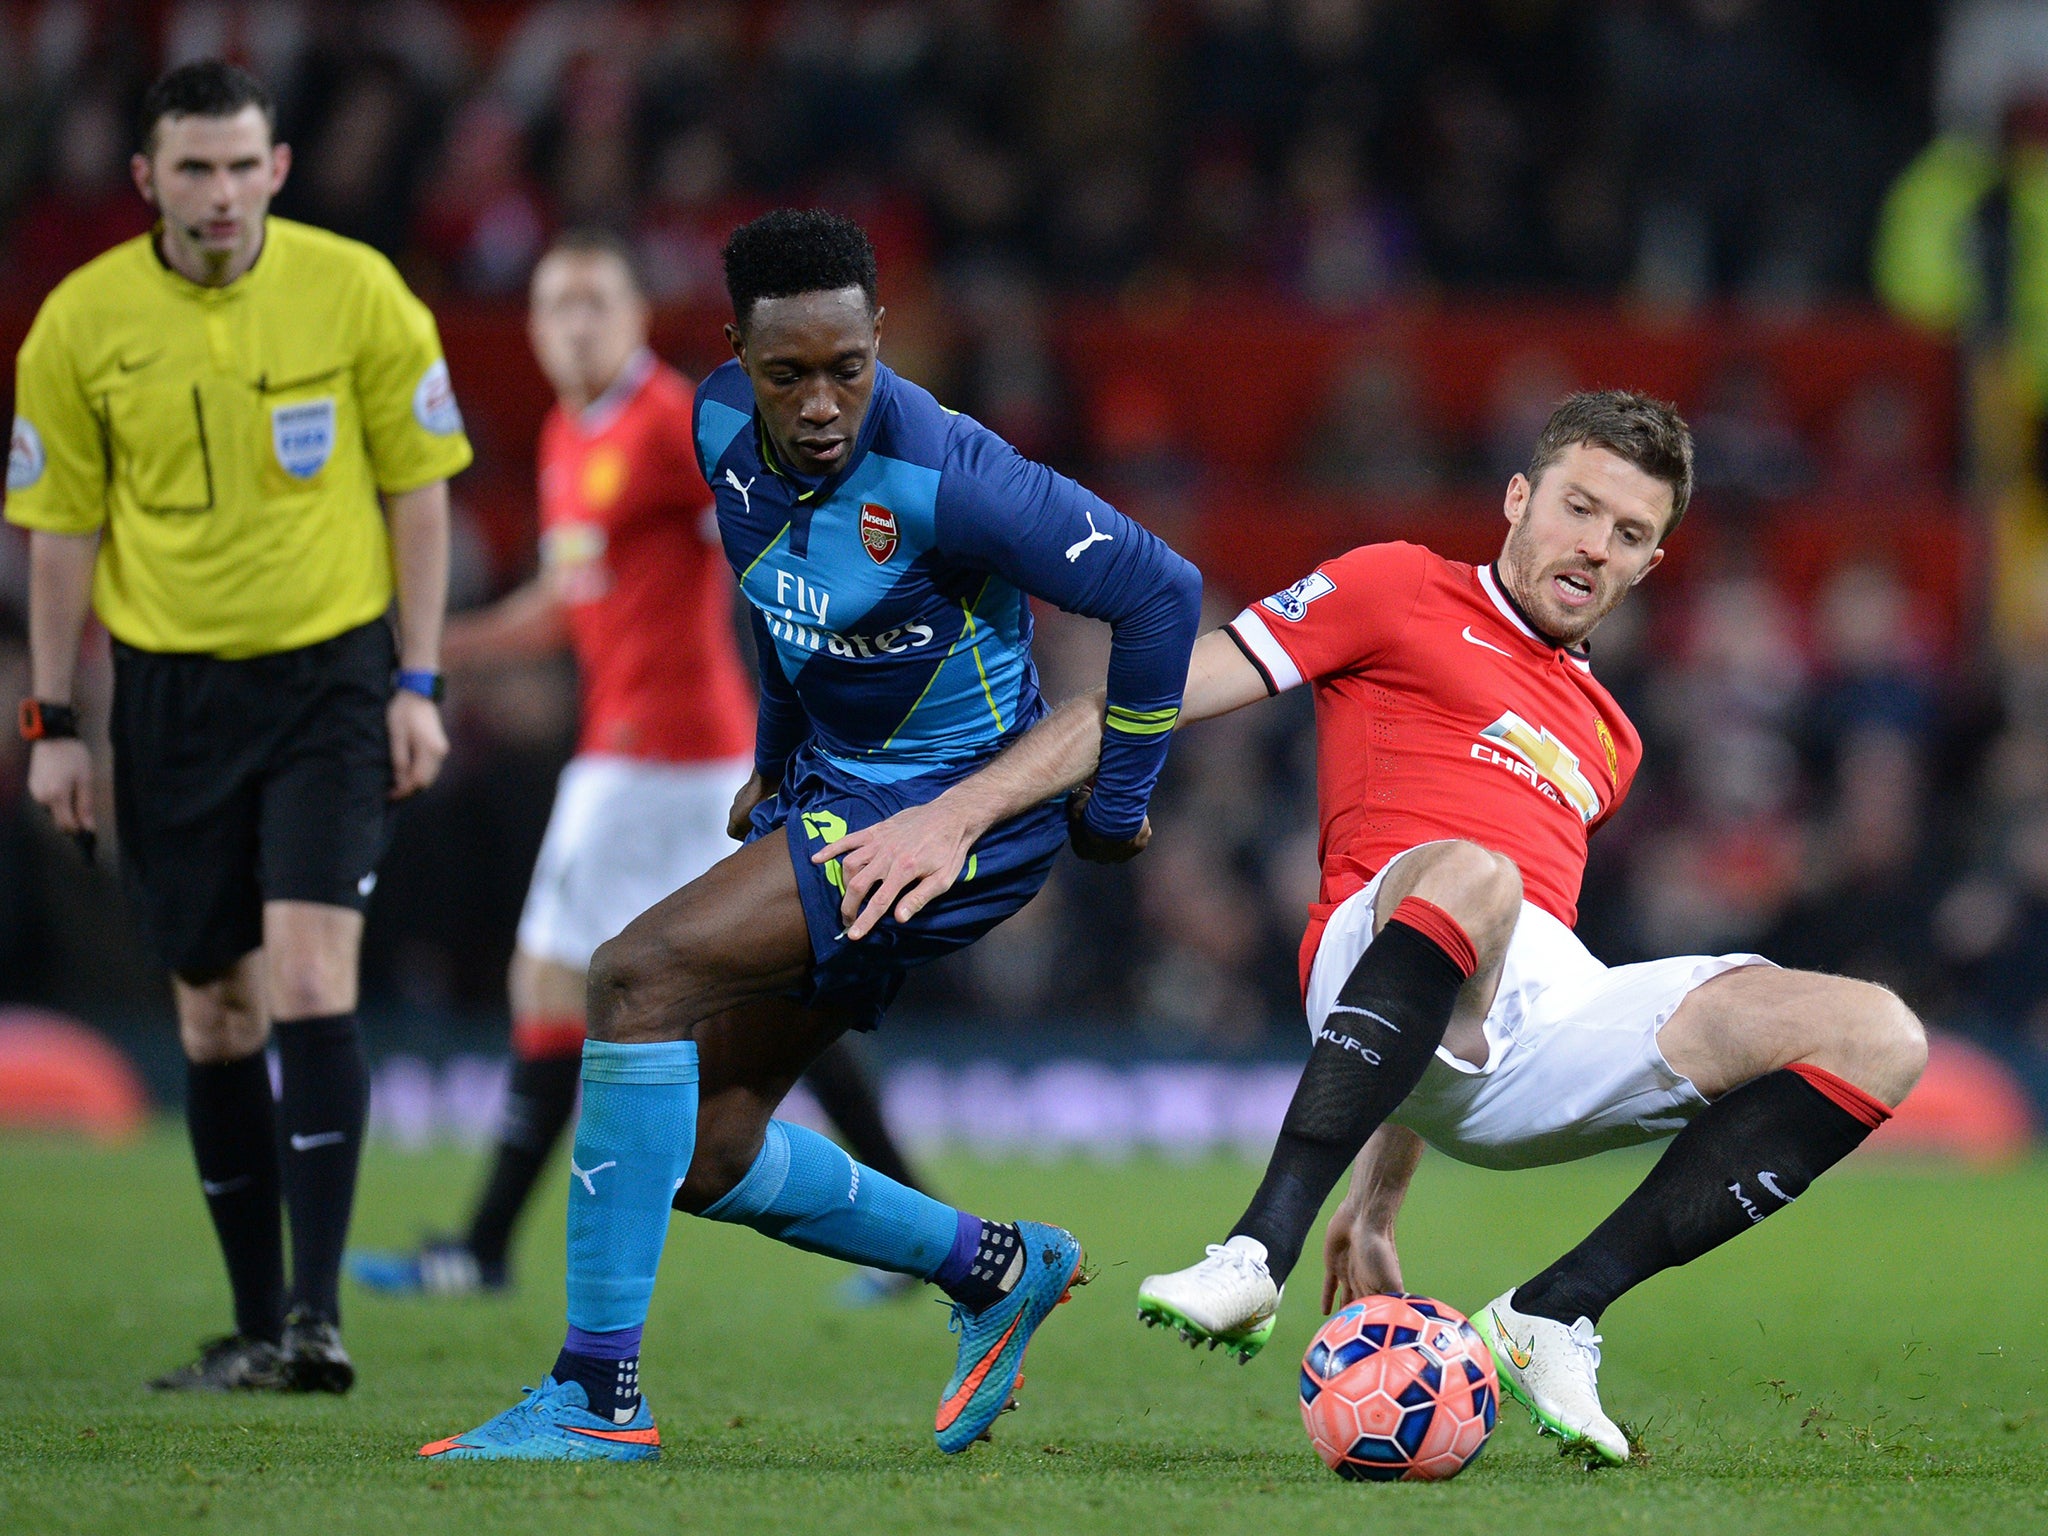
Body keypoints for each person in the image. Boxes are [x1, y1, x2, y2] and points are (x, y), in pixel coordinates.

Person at [830, 390, 1926, 1466]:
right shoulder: (1393, 585)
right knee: (1477, 874)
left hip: (1522, 1007)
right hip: (1373, 923)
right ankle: (1256, 1248)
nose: (1594, 546)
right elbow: (1146, 692)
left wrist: (1380, 1195)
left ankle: (1556, 1312)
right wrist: (954, 812)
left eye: (1629, 533)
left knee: (1877, 1033)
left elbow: (1469, 982)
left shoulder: (1609, 738)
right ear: (1515, 499)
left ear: (1651, 564)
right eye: (1577, 508)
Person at [419, 208, 1202, 1462]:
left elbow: (1160, 590)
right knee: (708, 1149)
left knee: (631, 975)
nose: (823, 401)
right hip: (837, 796)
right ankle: (995, 1266)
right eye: (789, 373)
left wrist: (1111, 807)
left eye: (849, 366)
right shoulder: (717, 427)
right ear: (736, 352)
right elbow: (778, 601)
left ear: (881, 338)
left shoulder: (948, 469)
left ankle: (594, 1396)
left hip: (954, 816)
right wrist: (775, 759)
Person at [347, 228, 940, 1305]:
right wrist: (431, 646)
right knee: (771, 992)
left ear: (630, 319)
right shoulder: (568, 437)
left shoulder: (670, 422)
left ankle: (481, 1248)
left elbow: (773, 537)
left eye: (592, 304)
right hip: (629, 754)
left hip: (665, 759)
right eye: (553, 304)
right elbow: (561, 609)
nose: (572, 323)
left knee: (556, 980)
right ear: (529, 327)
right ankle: (914, 1222)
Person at [8, 61, 471, 1392]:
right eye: (192, 170)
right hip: (168, 695)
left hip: (330, 680)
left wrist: (420, 681)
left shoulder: (358, 290)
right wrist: (54, 721)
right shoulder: (81, 323)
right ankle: (258, 1318)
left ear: (277, 167)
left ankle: (318, 1321)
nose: (220, 194)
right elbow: (56, 534)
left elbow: (421, 492)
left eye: (241, 165)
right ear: (147, 181)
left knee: (313, 980)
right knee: (215, 1015)